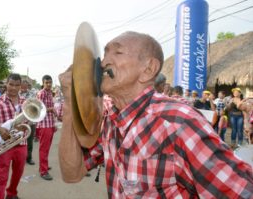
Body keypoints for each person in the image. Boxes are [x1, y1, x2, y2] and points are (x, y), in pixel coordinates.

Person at [58, 31, 253, 198]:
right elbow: (72, 173)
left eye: (117, 52)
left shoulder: (178, 123)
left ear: (148, 69)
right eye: (105, 52)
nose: (103, 62)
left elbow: (241, 192)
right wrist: (70, 104)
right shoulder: (111, 121)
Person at [0, 73, 27, 199]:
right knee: (1, 177)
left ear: (20, 86)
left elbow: (31, 120)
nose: (13, 88)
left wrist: (25, 125)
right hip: (3, 145)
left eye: (16, 85)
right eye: (11, 84)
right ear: (6, 84)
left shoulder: (25, 102)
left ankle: (12, 193)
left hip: (21, 144)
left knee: (18, 173)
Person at [36, 75, 58, 181]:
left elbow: (50, 110)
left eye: (50, 82)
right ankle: (43, 171)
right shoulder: (41, 93)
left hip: (49, 124)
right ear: (43, 83)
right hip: (44, 125)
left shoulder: (49, 93)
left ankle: (43, 165)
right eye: (46, 82)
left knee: (47, 148)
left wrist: (54, 124)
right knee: (43, 149)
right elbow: (39, 109)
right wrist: (51, 109)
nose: (49, 84)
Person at [19, 80, 36, 165]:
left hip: (30, 121)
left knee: (29, 140)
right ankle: (19, 158)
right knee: (18, 139)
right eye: (22, 86)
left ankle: (29, 158)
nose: (23, 88)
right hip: (20, 121)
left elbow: (35, 105)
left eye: (25, 86)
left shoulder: (32, 94)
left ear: (27, 86)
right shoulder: (17, 94)